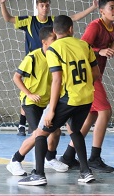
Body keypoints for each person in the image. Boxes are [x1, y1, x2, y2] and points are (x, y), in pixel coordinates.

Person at [0, 0, 94, 133]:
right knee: (30, 92)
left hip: (52, 61)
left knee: (50, 90)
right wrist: (2, 3)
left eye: (47, 5)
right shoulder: (29, 21)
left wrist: (93, 7)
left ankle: (54, 123)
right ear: (37, 7)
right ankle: (23, 124)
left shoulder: (55, 21)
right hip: (35, 62)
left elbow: (73, 18)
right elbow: (8, 18)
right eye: (42, 5)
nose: (45, 8)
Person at [17, 15, 99, 188]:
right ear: (71, 29)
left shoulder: (54, 49)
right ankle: (85, 172)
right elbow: (96, 75)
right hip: (86, 98)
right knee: (75, 130)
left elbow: (57, 80)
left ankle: (38, 174)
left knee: (40, 134)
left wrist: (52, 110)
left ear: (54, 31)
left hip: (67, 99)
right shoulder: (85, 45)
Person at [60, 0, 114, 173]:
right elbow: (82, 47)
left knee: (92, 115)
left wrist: (113, 48)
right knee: (105, 112)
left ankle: (68, 156)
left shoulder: (112, 27)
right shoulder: (95, 26)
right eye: (112, 8)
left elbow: (109, 47)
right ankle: (94, 157)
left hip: (96, 75)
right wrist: (99, 50)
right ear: (101, 11)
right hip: (88, 76)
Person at [5, 27, 70, 176]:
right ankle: (15, 160)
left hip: (47, 102)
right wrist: (29, 93)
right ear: (44, 42)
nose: (57, 41)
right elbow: (16, 77)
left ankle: (50, 158)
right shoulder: (32, 57)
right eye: (54, 39)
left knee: (56, 132)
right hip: (31, 102)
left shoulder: (57, 57)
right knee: (38, 134)